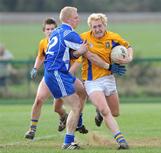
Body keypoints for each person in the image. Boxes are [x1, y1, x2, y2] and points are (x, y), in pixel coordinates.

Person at [24, 17, 87, 140]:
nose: (50, 31)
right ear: (44, 31)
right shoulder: (43, 42)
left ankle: (74, 119)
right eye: (48, 29)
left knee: (58, 106)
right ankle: (32, 129)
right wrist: (35, 68)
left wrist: (69, 72)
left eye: (52, 28)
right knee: (39, 99)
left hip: (63, 75)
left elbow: (76, 57)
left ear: (56, 29)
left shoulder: (63, 38)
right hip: (52, 74)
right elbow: (40, 56)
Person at [80, 13, 133, 149]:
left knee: (115, 113)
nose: (97, 29)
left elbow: (128, 46)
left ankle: (99, 112)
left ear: (105, 25)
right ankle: (121, 141)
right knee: (105, 110)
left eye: (100, 26)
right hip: (92, 81)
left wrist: (129, 58)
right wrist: (110, 66)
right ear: (90, 27)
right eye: (94, 27)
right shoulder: (84, 38)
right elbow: (91, 57)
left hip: (109, 79)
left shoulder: (113, 37)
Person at [44, 7, 88, 150]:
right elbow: (88, 50)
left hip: (60, 72)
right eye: (76, 17)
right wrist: (109, 62)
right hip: (57, 73)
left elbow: (68, 52)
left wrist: (76, 54)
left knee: (82, 90)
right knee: (75, 105)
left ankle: (79, 122)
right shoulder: (70, 33)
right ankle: (68, 142)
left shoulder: (56, 31)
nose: (78, 19)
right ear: (68, 19)